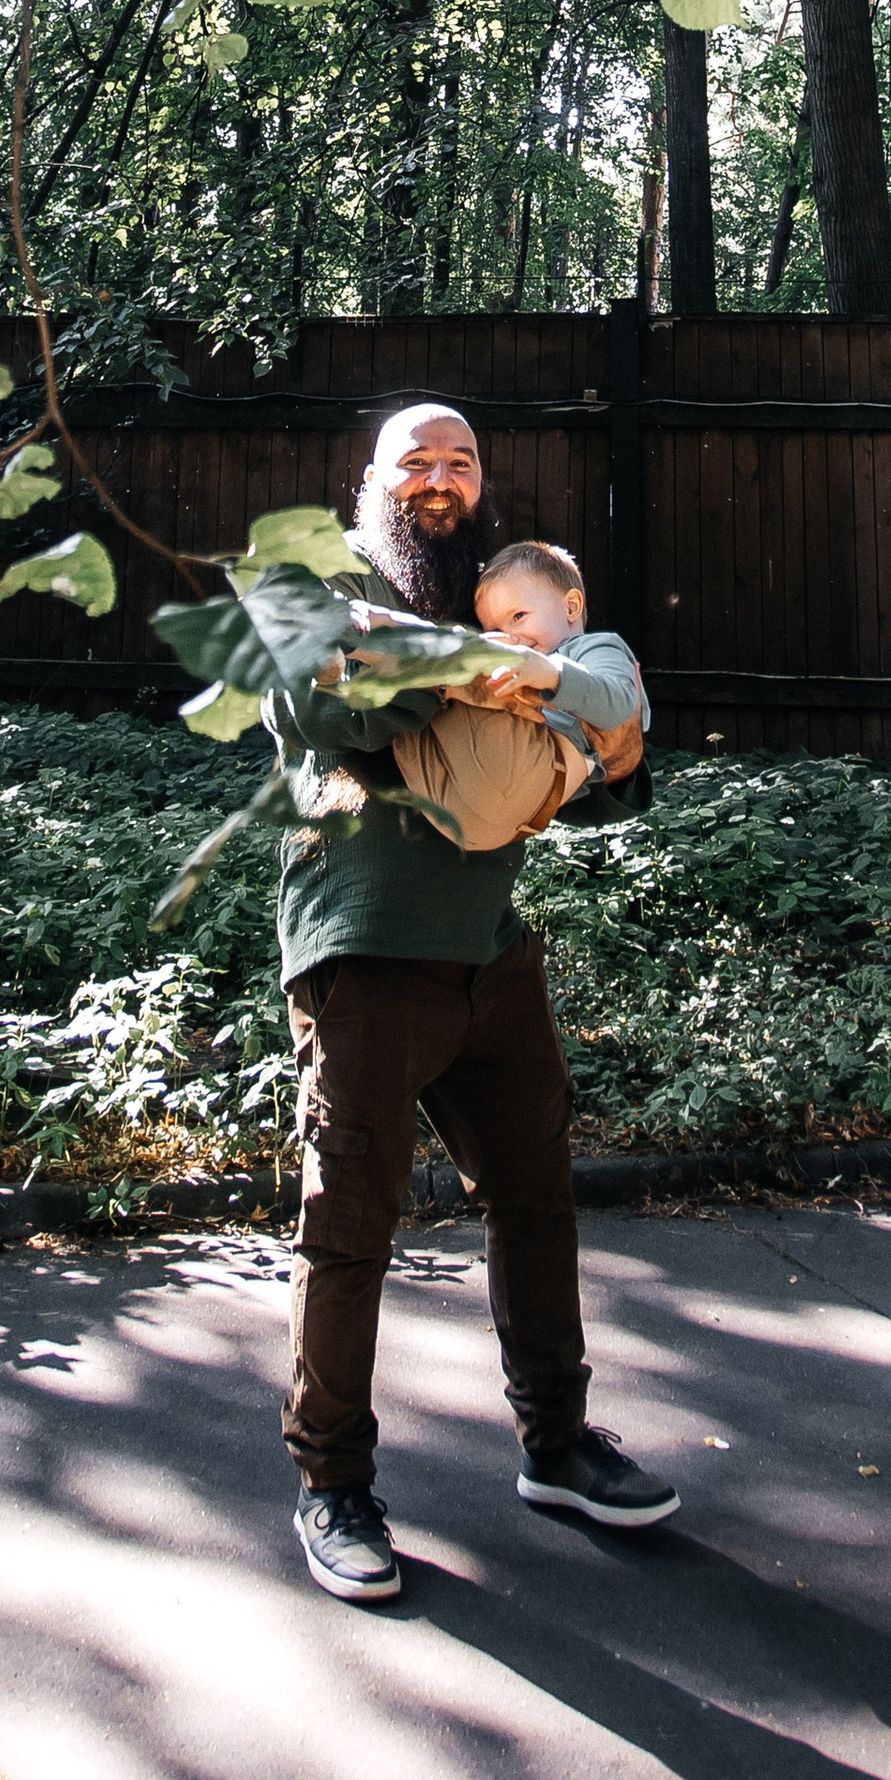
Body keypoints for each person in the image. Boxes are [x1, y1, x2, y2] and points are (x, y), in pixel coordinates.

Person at [263, 401, 680, 1603]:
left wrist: (590, 723)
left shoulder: (495, 590)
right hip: (365, 940)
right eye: (417, 460)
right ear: (371, 478)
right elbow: (334, 700)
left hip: (487, 944)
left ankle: (555, 1441)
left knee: (536, 1195)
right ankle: (332, 1481)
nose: (441, 478)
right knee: (350, 1221)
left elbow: (599, 747)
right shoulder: (311, 571)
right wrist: (505, 671)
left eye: (462, 461)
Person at [380, 537, 649, 849]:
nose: (510, 638)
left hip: (526, 783)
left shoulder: (593, 647)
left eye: (518, 616)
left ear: (571, 606)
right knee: (409, 706)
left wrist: (552, 674)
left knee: (459, 657)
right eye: (495, 629)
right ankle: (361, 650)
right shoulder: (521, 655)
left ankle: (369, 634)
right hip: (449, 804)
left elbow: (618, 706)